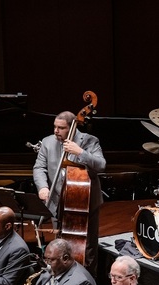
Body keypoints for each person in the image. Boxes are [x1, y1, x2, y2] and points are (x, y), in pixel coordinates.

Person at [33, 110, 107, 273]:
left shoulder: (89, 141)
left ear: (72, 127)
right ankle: (60, 280)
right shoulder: (47, 142)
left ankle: (89, 281)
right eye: (54, 127)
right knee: (60, 245)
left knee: (87, 247)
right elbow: (39, 167)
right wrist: (43, 187)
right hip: (57, 202)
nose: (55, 131)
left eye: (60, 128)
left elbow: (101, 165)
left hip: (85, 202)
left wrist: (80, 152)